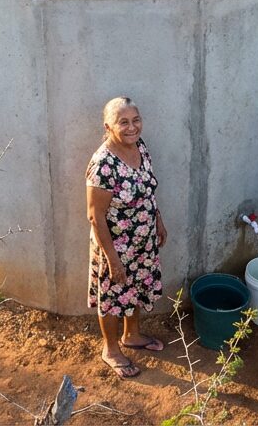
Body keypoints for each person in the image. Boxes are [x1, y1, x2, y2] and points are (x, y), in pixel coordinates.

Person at [86, 96, 167, 379]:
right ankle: (110, 349)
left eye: (136, 120)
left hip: (142, 242)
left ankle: (131, 335)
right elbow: (96, 216)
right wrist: (113, 260)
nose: (132, 127)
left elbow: (147, 189)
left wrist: (157, 220)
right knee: (112, 295)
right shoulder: (103, 165)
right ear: (108, 126)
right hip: (115, 247)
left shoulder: (139, 147)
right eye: (124, 122)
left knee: (136, 287)